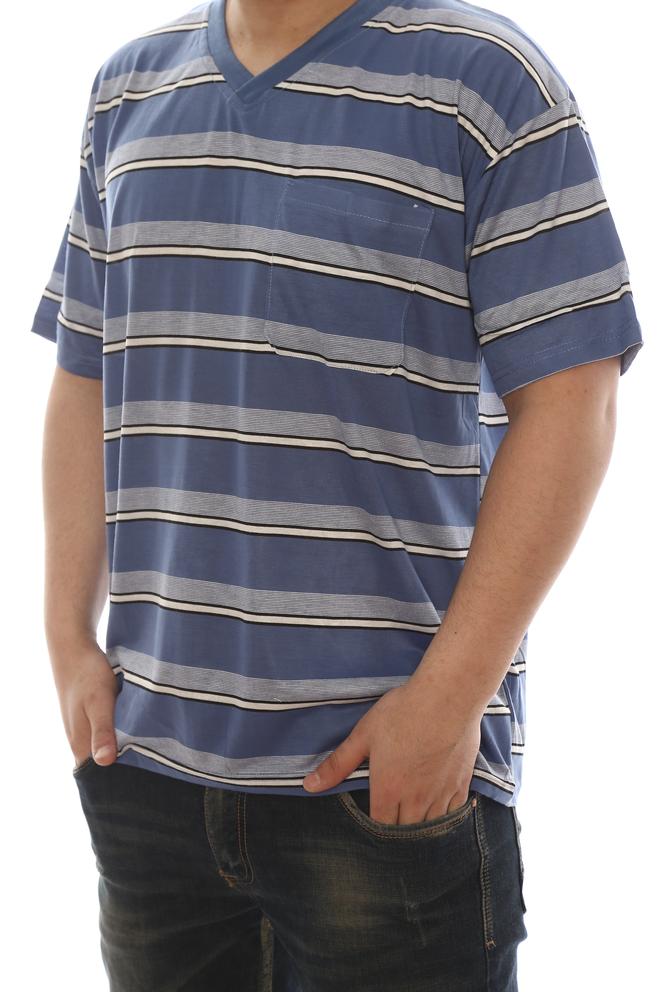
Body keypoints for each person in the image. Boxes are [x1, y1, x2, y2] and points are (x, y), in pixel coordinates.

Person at [31, 0, 644, 989]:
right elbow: (84, 372)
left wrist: (446, 703)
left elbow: (574, 404)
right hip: (148, 774)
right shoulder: (128, 89)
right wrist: (67, 639)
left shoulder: (485, 80)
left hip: (384, 778)